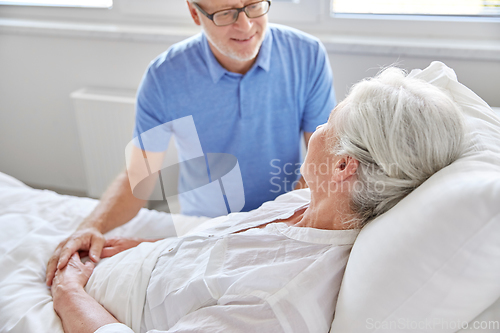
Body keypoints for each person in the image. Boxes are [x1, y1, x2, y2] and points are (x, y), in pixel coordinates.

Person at [50, 66, 466, 333]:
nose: (316, 131)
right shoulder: (307, 204)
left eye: (328, 123)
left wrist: (68, 290)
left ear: (343, 167)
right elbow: (229, 247)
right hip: (129, 263)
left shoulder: (277, 302)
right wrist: (151, 247)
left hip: (86, 304)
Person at [46, 0, 336, 285]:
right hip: (200, 226)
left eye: (253, 5)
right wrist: (91, 227)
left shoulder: (307, 55)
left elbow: (322, 165)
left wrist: (273, 225)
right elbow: (139, 178)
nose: (245, 24)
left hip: (281, 219)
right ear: (195, 13)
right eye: (226, 13)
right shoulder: (164, 77)